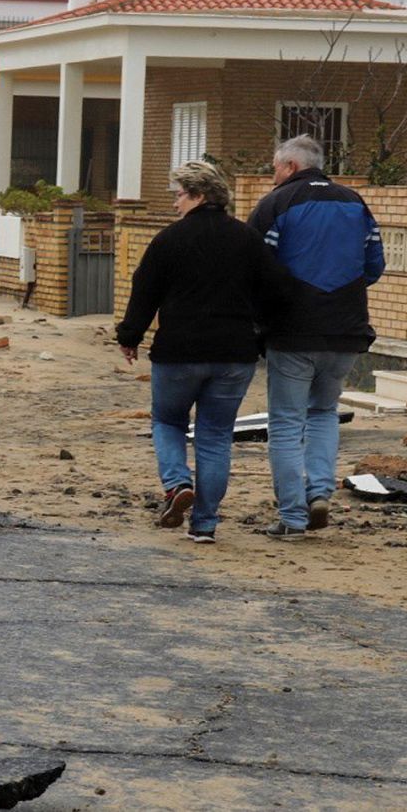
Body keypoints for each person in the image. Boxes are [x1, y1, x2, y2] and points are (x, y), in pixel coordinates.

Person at [116, 162, 283, 545]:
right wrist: (261, 334)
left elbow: (145, 291)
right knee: (215, 437)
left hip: (179, 352)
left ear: (199, 195)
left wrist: (130, 336)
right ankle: (205, 524)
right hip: (234, 355)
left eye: (179, 195)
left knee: (168, 422)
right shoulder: (248, 239)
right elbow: (275, 290)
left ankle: (176, 484)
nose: (175, 203)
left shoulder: (169, 240)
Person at [249, 135, 386, 540]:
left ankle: (293, 516)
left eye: (275, 168)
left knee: (287, 423)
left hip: (292, 332)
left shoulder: (276, 204)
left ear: (290, 166)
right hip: (346, 330)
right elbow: (374, 265)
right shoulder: (354, 201)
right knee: (324, 412)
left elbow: (255, 266)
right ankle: (320, 492)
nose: (273, 176)